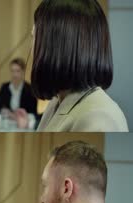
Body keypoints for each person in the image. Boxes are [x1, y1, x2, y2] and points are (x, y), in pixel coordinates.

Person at [31, 0, 128, 131]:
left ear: (59, 45)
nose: (32, 48)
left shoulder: (99, 118)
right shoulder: (56, 102)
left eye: (34, 38)